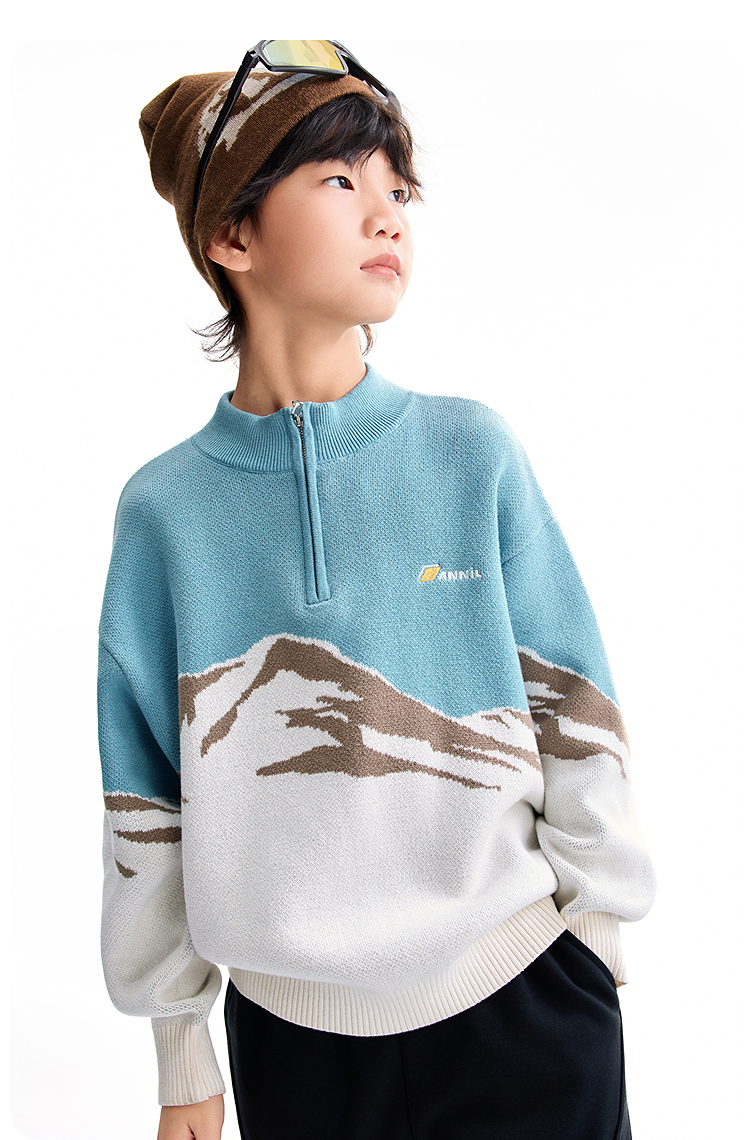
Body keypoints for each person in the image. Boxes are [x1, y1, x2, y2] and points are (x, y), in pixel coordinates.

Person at [97, 39, 656, 1140]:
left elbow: (575, 704)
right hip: (293, 1052)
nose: (387, 215)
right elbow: (144, 797)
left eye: (399, 189)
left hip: (527, 1003)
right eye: (341, 179)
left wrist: (594, 942)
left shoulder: (470, 452)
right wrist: (180, 1051)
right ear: (232, 235)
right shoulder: (163, 514)